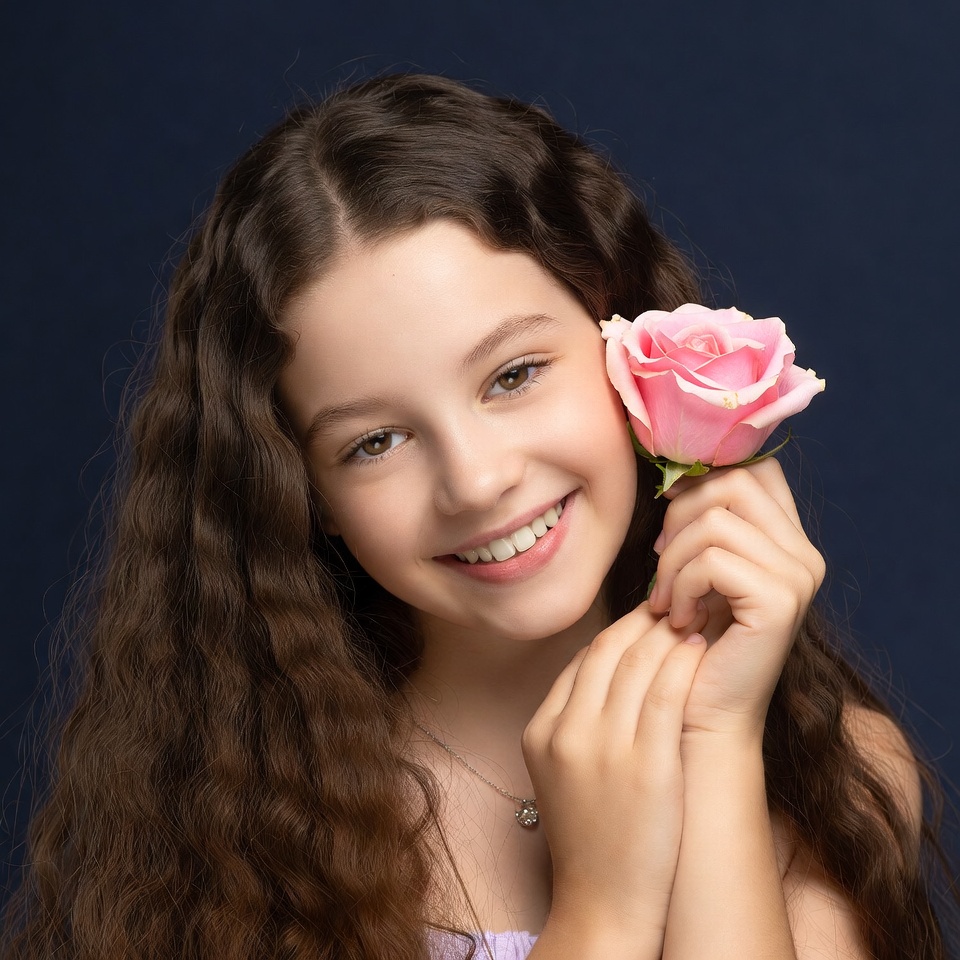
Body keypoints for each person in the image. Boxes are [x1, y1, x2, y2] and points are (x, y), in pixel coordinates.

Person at [1, 73, 952, 960]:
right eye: (373, 442)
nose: (477, 481)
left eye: (513, 375)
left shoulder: (841, 780)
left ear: (624, 342)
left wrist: (715, 739)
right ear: (302, 494)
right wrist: (600, 910)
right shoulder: (229, 841)